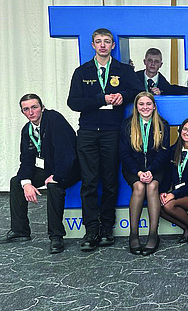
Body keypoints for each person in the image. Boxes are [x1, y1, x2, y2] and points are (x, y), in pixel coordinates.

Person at [67, 28, 143, 252]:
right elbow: (73, 102)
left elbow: (138, 91)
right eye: (98, 41)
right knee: (89, 182)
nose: (102, 45)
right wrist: (101, 98)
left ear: (113, 46)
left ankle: (107, 228)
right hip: (89, 132)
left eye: (107, 41)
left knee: (110, 180)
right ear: (92, 45)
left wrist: (123, 96)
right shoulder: (82, 72)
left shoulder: (122, 69)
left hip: (112, 131)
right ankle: (91, 230)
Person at [0, 94, 79, 254]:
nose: (31, 112)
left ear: (42, 107)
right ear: (23, 112)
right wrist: (26, 183)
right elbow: (26, 160)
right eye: (26, 109)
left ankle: (56, 236)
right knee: (15, 182)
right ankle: (20, 231)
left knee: (54, 186)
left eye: (34, 107)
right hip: (51, 167)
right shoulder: (27, 130)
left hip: (71, 168)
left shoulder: (54, 119)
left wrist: (57, 176)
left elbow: (66, 154)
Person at [119, 92, 170, 255]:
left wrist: (151, 171)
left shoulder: (163, 124)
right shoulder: (127, 125)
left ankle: (153, 234)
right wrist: (139, 172)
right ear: (136, 107)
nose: (145, 107)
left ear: (154, 106)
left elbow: (164, 153)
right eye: (141, 104)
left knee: (153, 186)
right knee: (139, 188)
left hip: (156, 168)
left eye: (148, 104)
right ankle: (133, 235)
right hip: (133, 169)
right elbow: (124, 153)